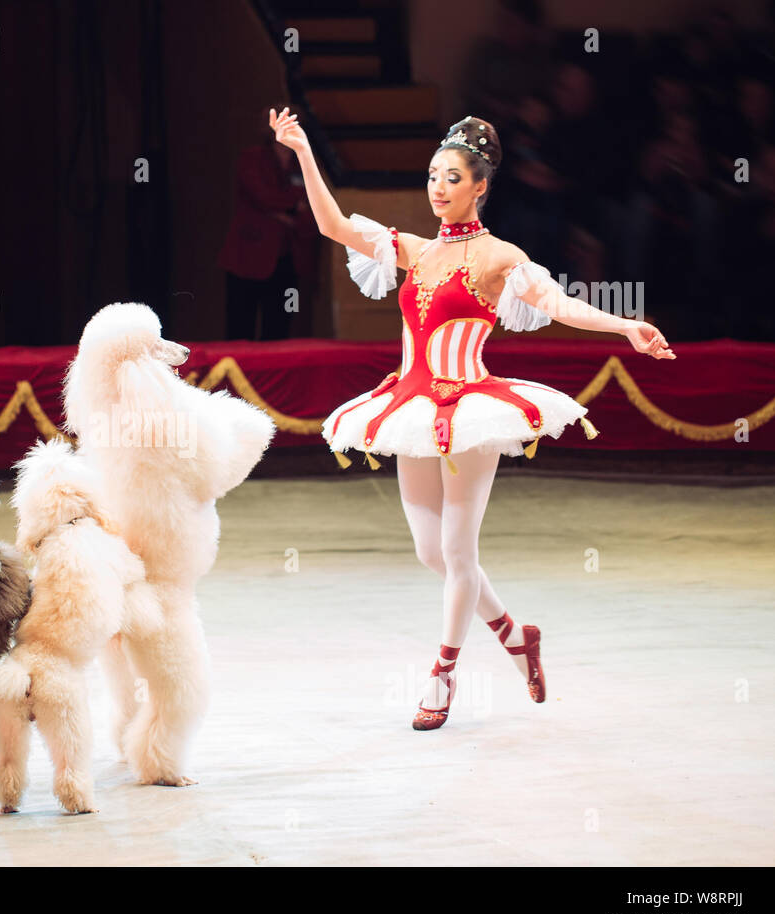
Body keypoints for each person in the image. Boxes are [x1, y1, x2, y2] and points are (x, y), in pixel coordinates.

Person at [269, 108, 675, 730]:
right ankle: (515, 634)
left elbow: (558, 303)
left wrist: (626, 324)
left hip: (468, 411)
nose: (438, 187)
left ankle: (443, 673)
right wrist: (300, 149)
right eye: (433, 175)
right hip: (409, 404)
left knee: (458, 552)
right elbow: (332, 224)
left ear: (480, 185)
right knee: (432, 552)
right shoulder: (416, 250)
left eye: (451, 177)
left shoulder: (497, 257)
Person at [218, 119, 316, 340]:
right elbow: (263, 196)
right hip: (248, 257)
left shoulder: (303, 161)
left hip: (288, 258)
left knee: (279, 328)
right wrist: (293, 204)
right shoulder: (252, 158)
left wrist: (285, 212)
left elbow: (312, 210)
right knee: (240, 328)